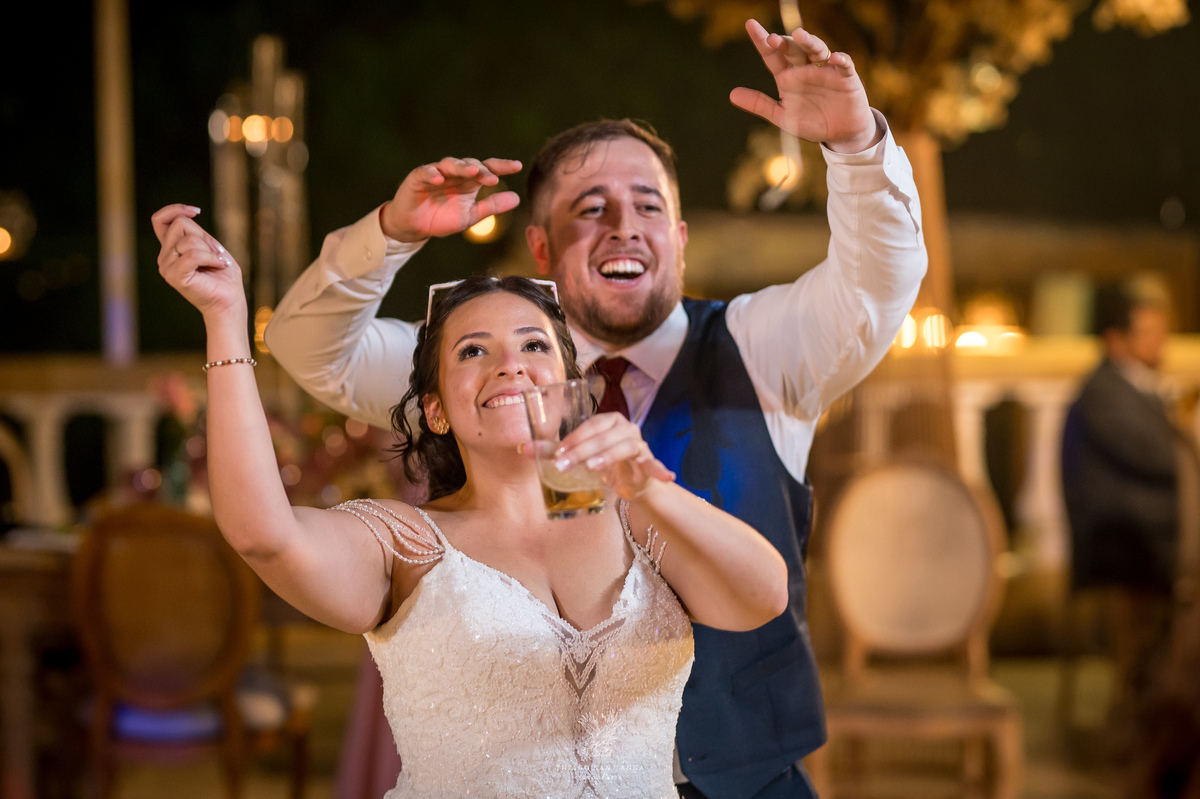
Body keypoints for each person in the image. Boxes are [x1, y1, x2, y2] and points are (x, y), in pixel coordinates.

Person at [263, 20, 926, 799]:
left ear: (678, 237)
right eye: (591, 209)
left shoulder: (764, 347)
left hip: (752, 781)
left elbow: (877, 285)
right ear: (541, 249)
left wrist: (855, 147)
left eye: (649, 206)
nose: (625, 227)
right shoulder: (486, 377)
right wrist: (388, 234)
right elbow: (309, 349)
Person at [150, 208, 791, 797]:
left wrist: (652, 486)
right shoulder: (407, 542)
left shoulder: (641, 518)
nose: (509, 365)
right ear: (435, 411)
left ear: (574, 389)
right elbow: (263, 533)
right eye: (473, 351)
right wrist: (225, 319)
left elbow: (764, 596)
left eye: (533, 345)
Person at [1061, 284, 1181, 749]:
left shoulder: (1135, 387)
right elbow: (1160, 459)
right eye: (1147, 333)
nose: (1159, 343)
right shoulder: (1105, 392)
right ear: (1116, 340)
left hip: (1139, 532)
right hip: (1117, 543)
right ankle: (1145, 719)